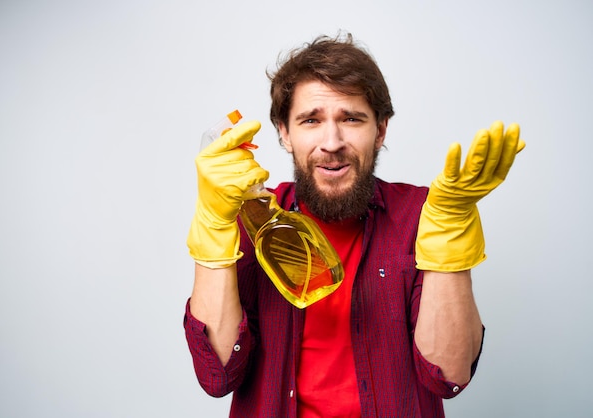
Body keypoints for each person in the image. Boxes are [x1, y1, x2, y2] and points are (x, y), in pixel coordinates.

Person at [183, 32, 525, 417]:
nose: (332, 141)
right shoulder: (249, 218)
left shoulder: (424, 216)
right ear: (284, 132)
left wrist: (449, 229)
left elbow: (448, 374)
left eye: (351, 118)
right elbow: (217, 375)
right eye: (311, 120)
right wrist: (214, 224)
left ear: (380, 130)